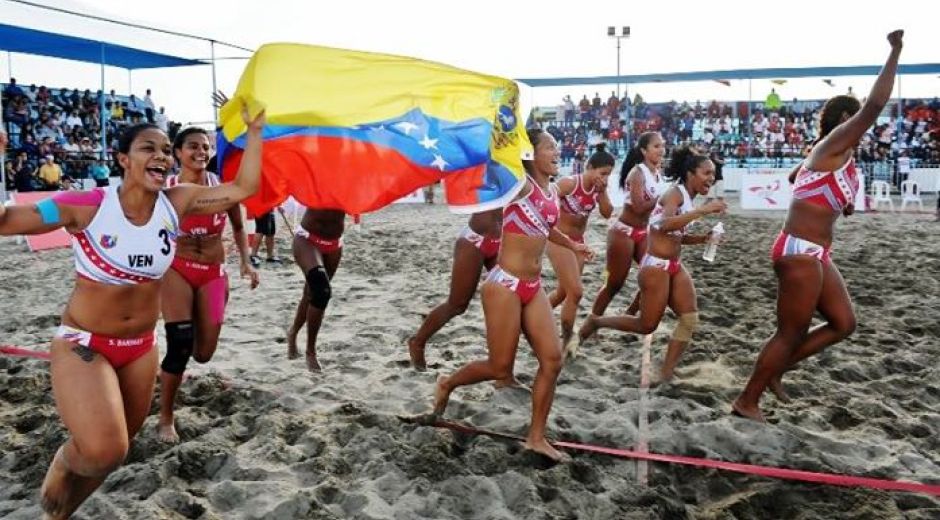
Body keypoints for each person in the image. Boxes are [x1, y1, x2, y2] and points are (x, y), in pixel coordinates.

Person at [0, 104, 264, 519]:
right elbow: (6, 221)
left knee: (111, 456)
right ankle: (63, 463)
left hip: (140, 348)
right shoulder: (84, 204)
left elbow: (244, 189)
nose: (160, 155)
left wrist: (255, 132)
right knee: (106, 448)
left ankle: (59, 513)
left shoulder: (178, 201)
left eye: (164, 149)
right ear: (123, 160)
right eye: (148, 148)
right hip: (84, 344)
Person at [733, 31, 903, 422]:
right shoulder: (834, 144)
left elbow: (797, 178)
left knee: (844, 323)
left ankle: (776, 371)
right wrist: (894, 51)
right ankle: (747, 400)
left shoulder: (832, 153)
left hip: (816, 252)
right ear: (846, 120)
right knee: (789, 333)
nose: (864, 123)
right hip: (797, 250)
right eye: (856, 117)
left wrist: (830, 201)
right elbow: (877, 103)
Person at [429, 128, 592, 462]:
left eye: (557, 147)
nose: (557, 152)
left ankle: (536, 438)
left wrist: (573, 244)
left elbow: (548, 229)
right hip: (503, 286)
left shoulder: (549, 192)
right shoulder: (519, 186)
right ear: (532, 154)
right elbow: (495, 159)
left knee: (552, 360)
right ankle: (447, 383)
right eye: (550, 147)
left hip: (531, 288)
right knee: (499, 366)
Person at [578, 145, 726, 383]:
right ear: (690, 173)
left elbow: (675, 235)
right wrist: (703, 211)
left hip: (674, 266)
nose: (711, 178)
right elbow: (665, 225)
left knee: (689, 318)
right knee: (646, 325)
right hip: (655, 266)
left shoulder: (688, 197)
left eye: (712, 174)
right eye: (706, 173)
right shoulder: (675, 193)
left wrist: (703, 239)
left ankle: (667, 372)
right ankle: (596, 321)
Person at [156, 127, 261, 443]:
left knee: (203, 354)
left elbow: (239, 227)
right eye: (192, 146)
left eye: (206, 146)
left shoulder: (224, 188)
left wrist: (246, 260)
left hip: (213, 271)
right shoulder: (165, 189)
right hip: (176, 269)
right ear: (177, 152)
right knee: (180, 343)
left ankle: (175, 368)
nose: (201, 151)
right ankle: (165, 418)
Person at [583, 132, 666, 329]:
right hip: (623, 232)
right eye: (656, 146)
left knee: (656, 272)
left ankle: (630, 313)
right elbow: (638, 207)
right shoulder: (637, 173)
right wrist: (662, 198)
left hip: (642, 231)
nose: (661, 149)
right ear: (644, 150)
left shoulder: (657, 172)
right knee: (614, 284)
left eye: (662, 145)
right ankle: (592, 322)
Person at [408, 209, 505, 371]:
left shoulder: (521, 183)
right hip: (474, 240)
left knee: (509, 296)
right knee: (458, 304)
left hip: (500, 239)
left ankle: (502, 362)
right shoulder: (484, 182)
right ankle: (418, 342)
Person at [546, 143, 615, 351]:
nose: (604, 178)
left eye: (608, 175)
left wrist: (602, 192)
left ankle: (531, 317)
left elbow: (607, 212)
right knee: (575, 292)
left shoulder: (598, 189)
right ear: (589, 167)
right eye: (602, 173)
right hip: (558, 240)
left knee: (563, 293)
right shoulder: (570, 183)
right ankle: (567, 338)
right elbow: (547, 197)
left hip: (578, 243)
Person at [285, 208, 345, 371]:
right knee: (321, 290)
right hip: (307, 238)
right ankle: (310, 352)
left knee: (312, 294)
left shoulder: (349, 183)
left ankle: (293, 333)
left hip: (334, 243)